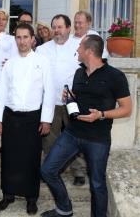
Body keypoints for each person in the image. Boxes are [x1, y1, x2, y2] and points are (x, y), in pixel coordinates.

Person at [40, 34, 132, 217]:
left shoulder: (115, 76)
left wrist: (102, 115)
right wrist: (70, 97)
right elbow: (79, 96)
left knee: (98, 184)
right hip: (72, 134)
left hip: (98, 139)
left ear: (89, 51)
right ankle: (64, 209)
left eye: (80, 46)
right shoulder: (79, 72)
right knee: (48, 169)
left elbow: (127, 109)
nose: (77, 49)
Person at [0, 23, 55, 215]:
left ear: (32, 39)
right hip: (11, 117)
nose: (22, 41)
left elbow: (50, 92)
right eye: (18, 38)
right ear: (15, 40)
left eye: (25, 37)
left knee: (30, 159)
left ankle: (31, 197)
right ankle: (8, 194)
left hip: (33, 118)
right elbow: (2, 92)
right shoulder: (9, 63)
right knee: (9, 158)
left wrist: (46, 120)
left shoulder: (42, 61)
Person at [36, 14, 79, 170]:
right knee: (48, 138)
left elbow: (86, 72)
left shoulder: (80, 46)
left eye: (60, 27)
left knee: (75, 136)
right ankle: (49, 168)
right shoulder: (41, 50)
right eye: (54, 27)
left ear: (68, 28)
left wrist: (77, 92)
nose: (56, 31)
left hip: (73, 101)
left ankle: (78, 170)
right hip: (50, 102)